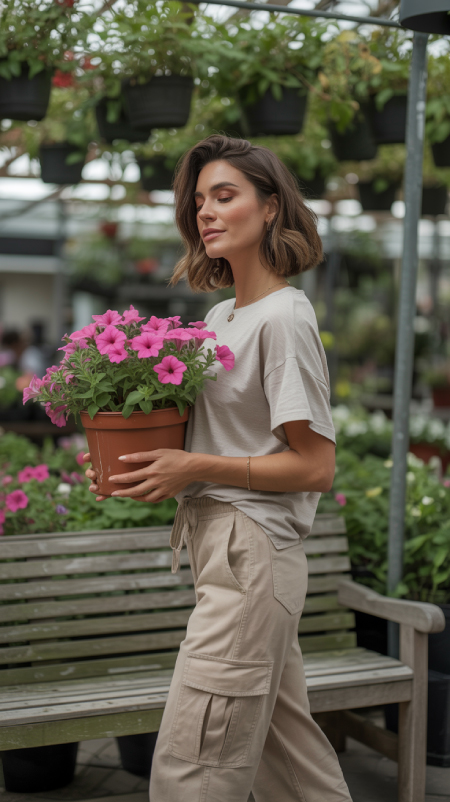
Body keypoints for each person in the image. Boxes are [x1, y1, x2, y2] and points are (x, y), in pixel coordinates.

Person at [85, 135, 352, 802]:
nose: (204, 211)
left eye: (224, 196)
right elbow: (210, 437)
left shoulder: (284, 318)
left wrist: (192, 465)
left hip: (251, 548)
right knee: (289, 761)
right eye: (199, 199)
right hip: (222, 548)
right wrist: (143, 465)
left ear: (269, 209)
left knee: (193, 764)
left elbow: (315, 467)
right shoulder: (223, 315)